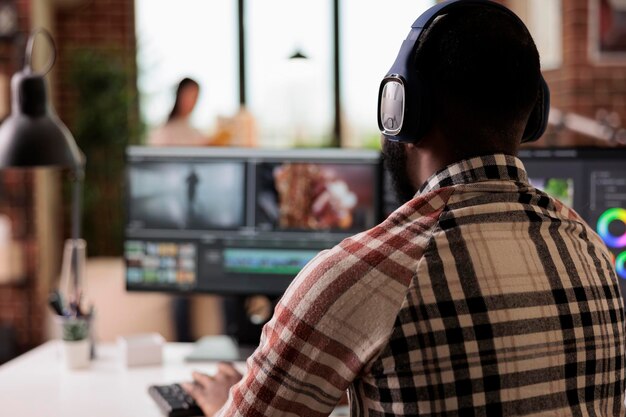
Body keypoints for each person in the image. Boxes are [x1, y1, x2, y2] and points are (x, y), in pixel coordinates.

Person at [183, 2, 626, 416]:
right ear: (532, 117)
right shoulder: (590, 249)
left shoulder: (362, 274)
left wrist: (222, 402)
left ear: (400, 110)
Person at [147, 77, 212, 147]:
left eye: (195, 97)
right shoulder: (163, 132)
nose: (193, 102)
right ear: (179, 95)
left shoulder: (196, 134)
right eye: (189, 96)